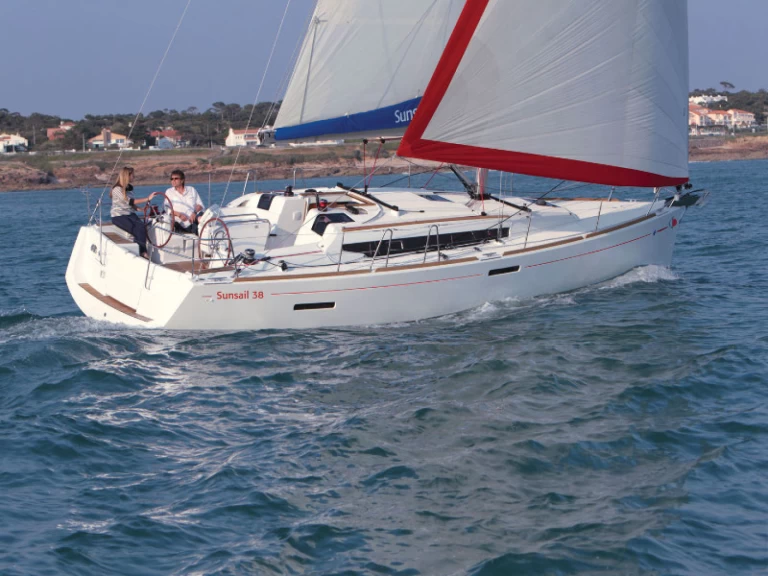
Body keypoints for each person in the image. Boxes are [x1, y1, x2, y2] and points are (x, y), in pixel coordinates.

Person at [110, 166, 150, 259]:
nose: (134, 177)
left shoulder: (129, 189)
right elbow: (129, 201)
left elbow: (131, 205)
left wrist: (140, 209)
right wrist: (147, 198)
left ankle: (142, 252)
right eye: (132, 175)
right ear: (127, 176)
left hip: (130, 214)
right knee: (134, 229)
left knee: (141, 227)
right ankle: (142, 252)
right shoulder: (117, 189)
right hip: (119, 216)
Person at [164, 169, 204, 235]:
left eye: (176, 179)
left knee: (202, 219)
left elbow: (200, 205)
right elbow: (167, 209)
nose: (173, 181)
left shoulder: (191, 189)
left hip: (194, 217)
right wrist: (179, 215)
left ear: (182, 180)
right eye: (172, 179)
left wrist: (194, 212)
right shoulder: (169, 192)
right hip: (181, 222)